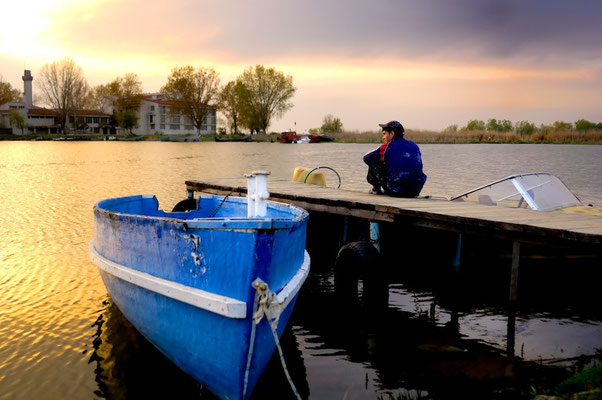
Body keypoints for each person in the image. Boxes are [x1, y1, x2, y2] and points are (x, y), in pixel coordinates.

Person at [363, 120, 426, 197]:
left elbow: (366, 158)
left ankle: (376, 189)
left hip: (395, 191)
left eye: (384, 134)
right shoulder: (413, 145)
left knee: (374, 162)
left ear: (392, 133)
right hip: (415, 191)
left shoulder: (388, 147)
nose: (383, 137)